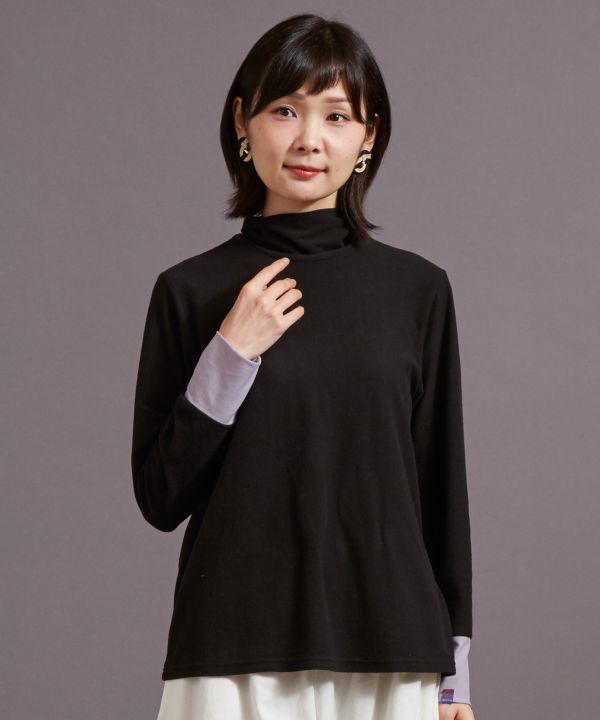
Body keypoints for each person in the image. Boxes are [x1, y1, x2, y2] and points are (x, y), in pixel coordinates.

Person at [131, 13, 475, 720]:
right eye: (285, 110)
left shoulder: (417, 291)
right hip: (232, 654)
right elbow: (160, 496)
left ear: (369, 136)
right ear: (242, 121)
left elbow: (440, 490)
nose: (309, 139)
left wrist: (454, 682)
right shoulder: (189, 291)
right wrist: (231, 353)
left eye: (337, 115)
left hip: (392, 654)